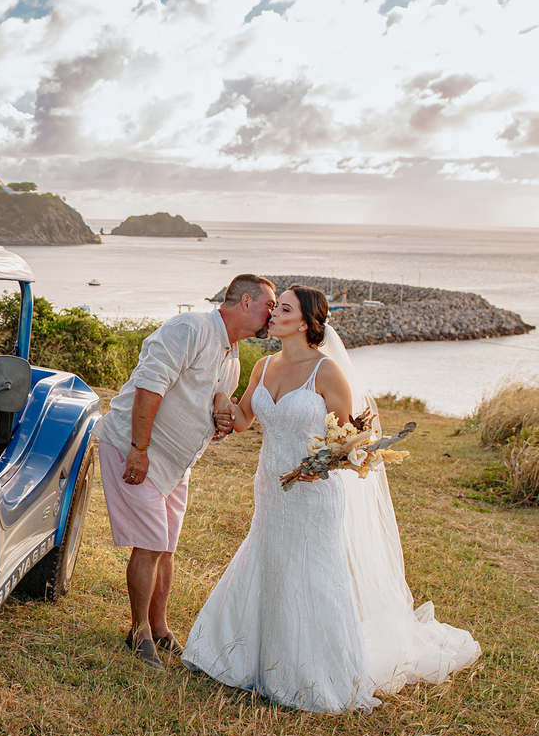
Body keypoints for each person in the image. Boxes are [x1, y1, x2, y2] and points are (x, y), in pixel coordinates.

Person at [182, 285, 480, 712]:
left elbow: (353, 441)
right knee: (267, 560)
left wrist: (319, 464)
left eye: (282, 309)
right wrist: (219, 402)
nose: (272, 314)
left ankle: (313, 673)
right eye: (274, 307)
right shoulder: (262, 367)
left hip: (314, 493)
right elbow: (245, 418)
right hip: (270, 486)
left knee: (310, 572)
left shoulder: (326, 373)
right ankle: (251, 659)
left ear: (304, 322)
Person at [92, 274, 276, 670]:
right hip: (135, 448)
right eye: (269, 306)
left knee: (168, 547)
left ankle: (159, 628)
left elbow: (212, 408)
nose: (271, 314)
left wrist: (221, 421)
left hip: (177, 465)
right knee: (152, 542)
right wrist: (138, 450)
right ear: (246, 302)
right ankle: (137, 631)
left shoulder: (232, 356)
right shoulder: (189, 328)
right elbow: (149, 387)